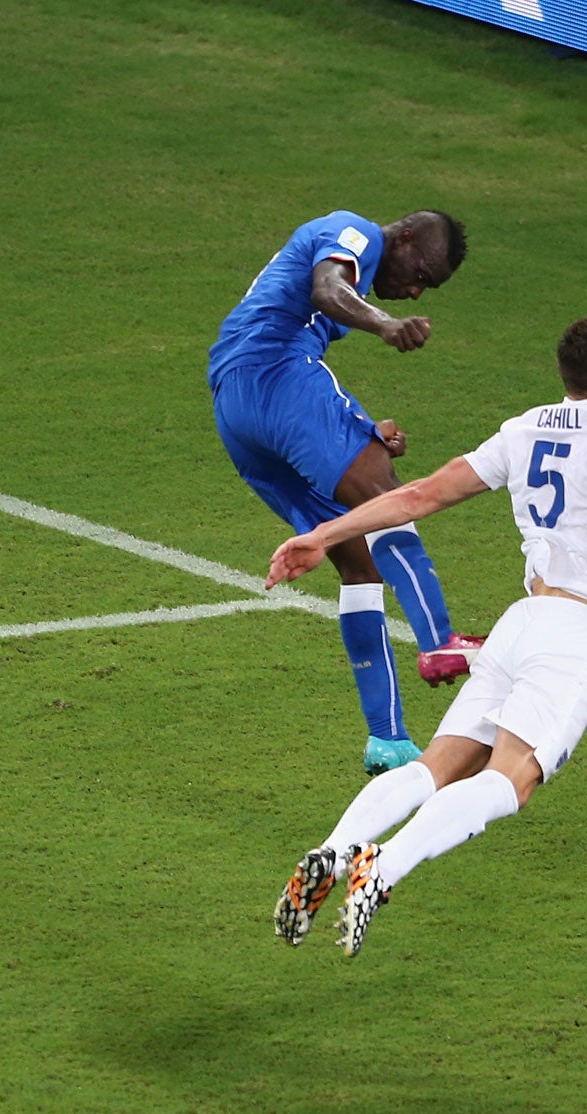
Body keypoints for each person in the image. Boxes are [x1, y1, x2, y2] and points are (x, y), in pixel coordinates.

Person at [262, 313, 587, 956]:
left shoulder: (525, 427)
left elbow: (419, 495)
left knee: (438, 765)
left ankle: (335, 851)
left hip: (521, 621)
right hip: (577, 631)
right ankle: (381, 869)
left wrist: (321, 534)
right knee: (512, 779)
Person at [210, 208, 486, 777]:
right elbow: (328, 288)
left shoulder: (345, 256)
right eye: (419, 274)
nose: (412, 290)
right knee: (384, 491)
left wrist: (363, 437)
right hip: (275, 371)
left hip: (236, 410)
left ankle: (387, 738)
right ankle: (439, 640)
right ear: (403, 237)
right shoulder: (352, 230)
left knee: (358, 556)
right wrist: (384, 323)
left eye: (423, 290)